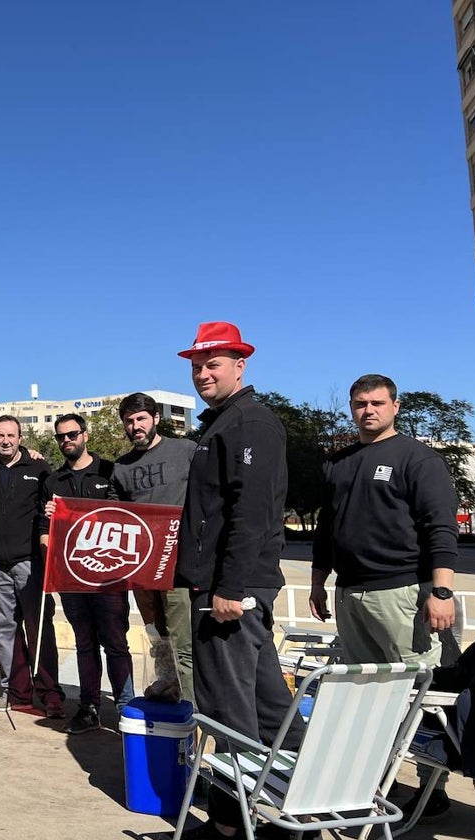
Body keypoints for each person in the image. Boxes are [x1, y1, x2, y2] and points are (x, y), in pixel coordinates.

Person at [174, 322, 304, 840]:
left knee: (228, 709)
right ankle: (296, 811)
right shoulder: (223, 423)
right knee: (269, 702)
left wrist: (227, 588)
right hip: (232, 588)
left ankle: (233, 822)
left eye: (213, 364)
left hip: (231, 591)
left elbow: (249, 513)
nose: (203, 373)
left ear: (240, 366)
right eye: (196, 366)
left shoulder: (247, 423)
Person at [310, 373, 459, 820]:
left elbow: (441, 528)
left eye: (377, 402)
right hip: (351, 595)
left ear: (395, 406)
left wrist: (443, 591)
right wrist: (318, 581)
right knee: (367, 698)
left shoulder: (417, 458)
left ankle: (433, 785)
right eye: (359, 404)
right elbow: (326, 529)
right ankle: (377, 782)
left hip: (403, 595)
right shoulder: (338, 462)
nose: (368, 410)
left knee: (422, 695)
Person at [41, 413, 133, 734]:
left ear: (86, 435)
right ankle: (89, 706)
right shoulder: (53, 481)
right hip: (72, 577)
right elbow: (44, 532)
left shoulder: (111, 471)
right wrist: (51, 525)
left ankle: (125, 707)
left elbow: (127, 517)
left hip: (109, 576)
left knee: (116, 642)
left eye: (72, 434)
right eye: (61, 436)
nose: (67, 440)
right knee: (84, 643)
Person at [112, 392, 197, 706]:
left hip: (178, 566)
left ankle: (192, 713)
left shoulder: (186, 450)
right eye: (130, 421)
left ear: (156, 418)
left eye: (141, 419)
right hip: (141, 567)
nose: (136, 426)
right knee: (157, 637)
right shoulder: (121, 467)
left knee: (183, 641)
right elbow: (112, 513)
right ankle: (166, 690)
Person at [0, 416, 63, 716]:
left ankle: (51, 693)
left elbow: (53, 508)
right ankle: (16, 692)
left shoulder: (39, 468)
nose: (5, 441)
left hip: (30, 562)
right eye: (0, 435)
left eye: (11, 435)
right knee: (4, 630)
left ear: (20, 437)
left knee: (40, 628)